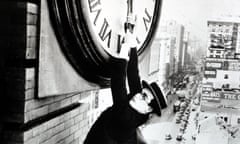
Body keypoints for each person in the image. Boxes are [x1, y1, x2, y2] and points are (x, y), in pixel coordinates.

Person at [84, 13, 167, 144]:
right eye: (142, 92)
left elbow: (118, 84)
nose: (139, 94)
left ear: (148, 109)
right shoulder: (139, 103)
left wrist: (124, 49)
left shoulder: (127, 118)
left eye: (144, 96)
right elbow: (133, 74)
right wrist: (132, 40)